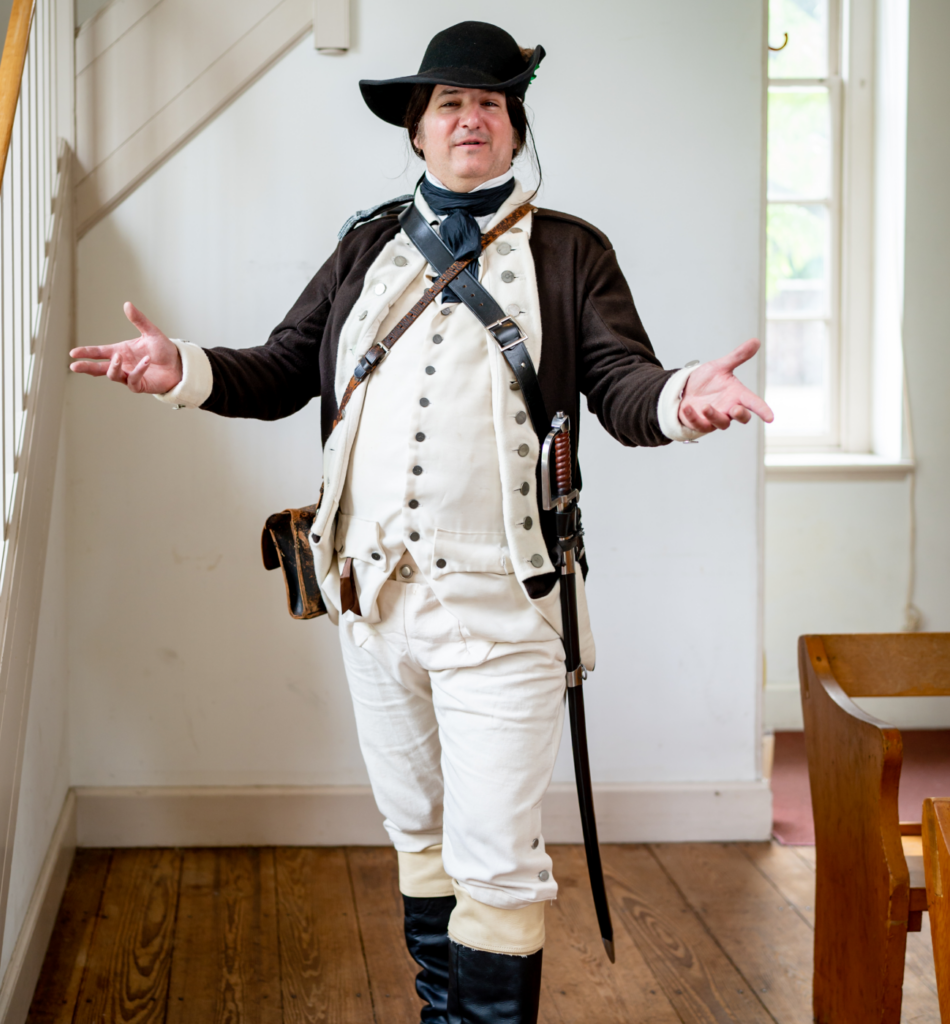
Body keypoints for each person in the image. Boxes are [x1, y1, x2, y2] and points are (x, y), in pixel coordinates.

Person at [70, 21, 773, 1024]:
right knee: (422, 837)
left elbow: (622, 383)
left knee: (497, 862)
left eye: (490, 101)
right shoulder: (366, 244)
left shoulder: (571, 250)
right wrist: (182, 367)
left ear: (515, 128)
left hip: (505, 609)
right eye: (449, 102)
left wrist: (681, 397)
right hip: (370, 604)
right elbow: (284, 365)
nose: (469, 117)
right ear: (417, 130)